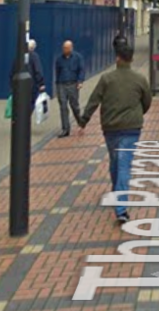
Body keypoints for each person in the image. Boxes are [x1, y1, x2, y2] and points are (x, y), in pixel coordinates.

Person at [78, 46, 153, 224]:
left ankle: (119, 203)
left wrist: (84, 120)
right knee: (123, 164)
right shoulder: (140, 79)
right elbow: (147, 101)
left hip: (111, 127)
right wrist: (137, 114)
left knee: (116, 161)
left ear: (118, 58)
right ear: (132, 59)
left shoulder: (106, 79)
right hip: (131, 128)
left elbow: (94, 100)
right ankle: (120, 205)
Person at [55, 40, 87, 138]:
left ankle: (80, 122)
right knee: (63, 106)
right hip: (62, 84)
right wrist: (57, 84)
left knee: (74, 106)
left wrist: (80, 81)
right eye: (64, 48)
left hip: (73, 84)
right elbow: (57, 71)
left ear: (71, 48)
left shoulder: (78, 57)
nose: (65, 50)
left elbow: (81, 69)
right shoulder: (59, 59)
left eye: (67, 48)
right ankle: (65, 129)